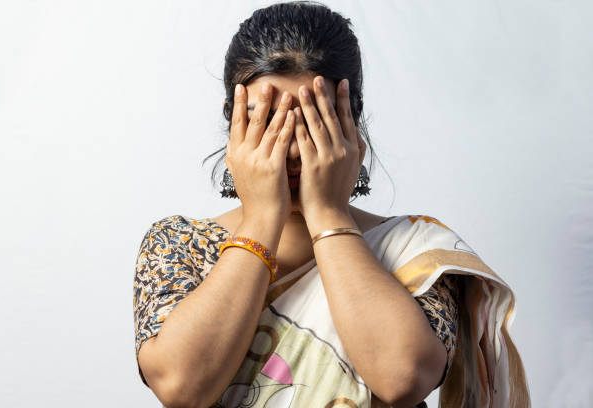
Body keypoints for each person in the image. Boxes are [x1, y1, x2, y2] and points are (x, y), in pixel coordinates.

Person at [133, 2, 531, 407]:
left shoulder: (415, 249)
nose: (287, 148)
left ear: (349, 122)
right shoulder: (178, 243)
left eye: (310, 121)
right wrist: (261, 220)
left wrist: (327, 215)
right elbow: (181, 386)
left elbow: (403, 377)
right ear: (232, 122)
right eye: (266, 122)